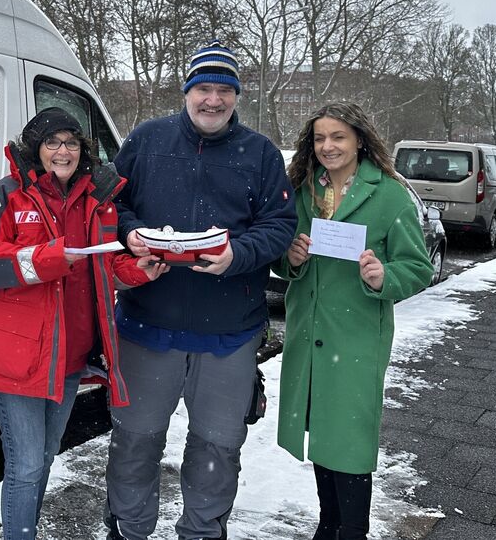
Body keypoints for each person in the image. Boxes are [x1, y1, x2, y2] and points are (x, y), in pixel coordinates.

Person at [105, 41, 297, 540]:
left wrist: (238, 256)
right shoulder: (147, 140)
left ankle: (202, 532)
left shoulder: (259, 153)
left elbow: (279, 226)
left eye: (223, 90)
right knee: (134, 441)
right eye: (203, 89)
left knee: (217, 448)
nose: (212, 100)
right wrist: (130, 235)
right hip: (149, 324)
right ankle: (129, 529)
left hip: (229, 333)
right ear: (187, 91)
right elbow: (110, 207)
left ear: (236, 95)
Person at [0, 107, 168, 540]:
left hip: (68, 355)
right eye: (52, 142)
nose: (63, 150)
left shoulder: (95, 201)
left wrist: (138, 271)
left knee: (45, 456)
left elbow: (103, 267)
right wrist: (45, 259)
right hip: (17, 357)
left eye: (71, 142)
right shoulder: (8, 195)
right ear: (36, 148)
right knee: (26, 463)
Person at [276, 102, 432, 540]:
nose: (328, 146)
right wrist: (290, 259)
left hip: (357, 336)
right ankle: (328, 526)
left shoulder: (389, 194)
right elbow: (280, 256)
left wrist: (385, 276)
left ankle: (352, 531)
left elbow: (418, 267)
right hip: (309, 333)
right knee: (323, 435)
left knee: (349, 439)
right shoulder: (303, 190)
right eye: (320, 138)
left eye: (338, 137)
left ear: (360, 139)